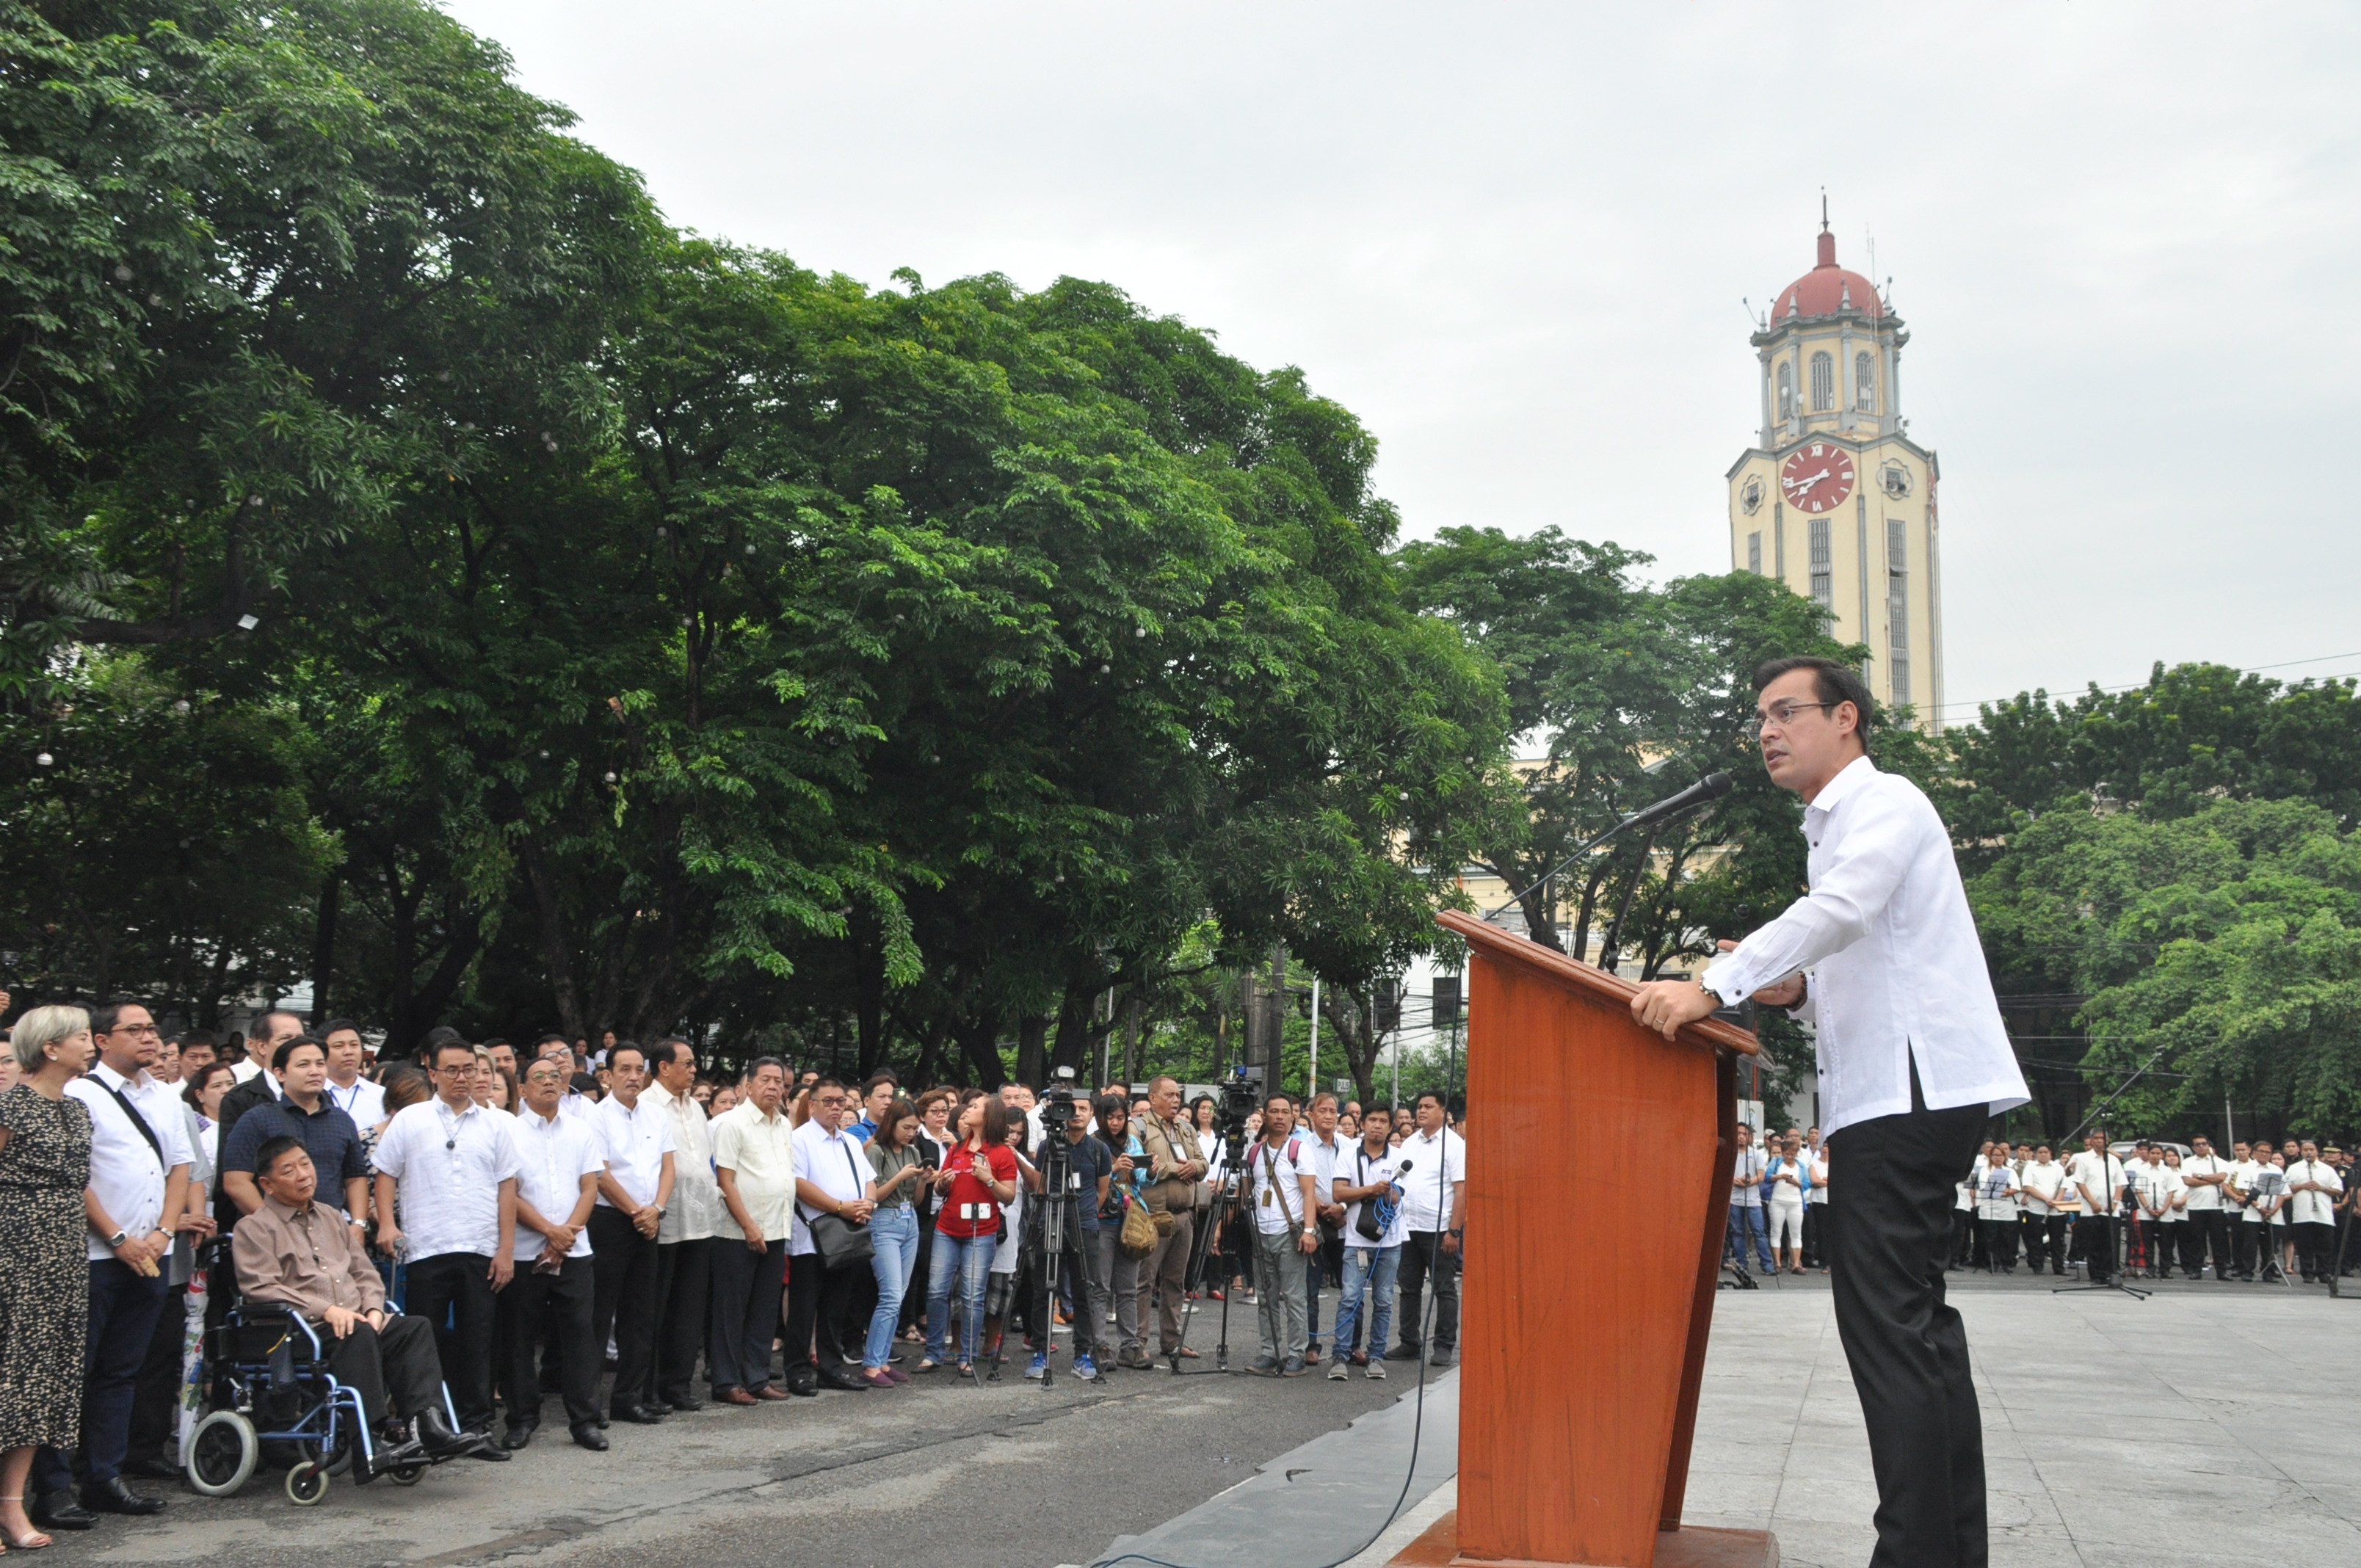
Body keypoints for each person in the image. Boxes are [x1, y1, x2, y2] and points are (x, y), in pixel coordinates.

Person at [1629, 656, 2031, 1568]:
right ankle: (1946, 1551)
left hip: (1906, 1097)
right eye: (1759, 718)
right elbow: (1865, 956)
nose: (1767, 731)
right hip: (1899, 1092)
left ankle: (1918, 1555)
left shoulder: (1883, 803)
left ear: (1845, 717)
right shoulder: (1836, 827)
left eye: (1786, 713)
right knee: (1916, 1332)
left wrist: (1713, 986)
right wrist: (1795, 990)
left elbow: (1844, 909)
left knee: (1890, 1334)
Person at [35, 1000, 204, 1522]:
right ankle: (55, 1485)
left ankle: (105, 1476)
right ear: (102, 1040)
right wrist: (119, 1237)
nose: (149, 1038)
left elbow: (180, 1167)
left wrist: (161, 1233)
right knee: (73, 1370)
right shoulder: (81, 1094)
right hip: (95, 1255)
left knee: (122, 1370)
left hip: (153, 1252)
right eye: (135, 1030)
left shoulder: (165, 1096)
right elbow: (74, 1175)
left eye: (153, 1029)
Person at [233, 1138, 485, 1472]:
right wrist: (325, 1310)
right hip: (301, 1330)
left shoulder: (331, 1217)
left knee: (413, 1328)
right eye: (289, 1170)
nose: (303, 1174)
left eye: (305, 1164)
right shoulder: (253, 1228)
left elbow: (363, 1272)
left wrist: (374, 1309)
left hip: (354, 1320)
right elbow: (260, 1287)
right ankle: (371, 1440)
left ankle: (428, 1424)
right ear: (266, 1184)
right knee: (357, 1333)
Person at [369, 1037, 521, 1458]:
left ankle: (476, 1427)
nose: (462, 1078)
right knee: (425, 1340)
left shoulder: (494, 1123)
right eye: (451, 1070)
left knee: (478, 1339)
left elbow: (507, 1189)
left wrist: (505, 1249)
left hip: (480, 1245)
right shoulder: (411, 1119)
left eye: (469, 1070)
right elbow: (385, 1173)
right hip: (425, 1247)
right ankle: (425, 1423)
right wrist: (386, 1222)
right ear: (432, 1072)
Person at [1, 1007, 98, 1543]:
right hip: (13, 1255)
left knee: (46, 1382)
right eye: (81, 1037)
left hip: (63, 1257)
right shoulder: (9, 1106)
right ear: (50, 1048)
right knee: (9, 1377)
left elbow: (80, 1184)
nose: (90, 1044)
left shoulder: (79, 1111)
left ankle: (13, 1507)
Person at [498, 1056, 605, 1451]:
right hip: (525, 1251)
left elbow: (590, 1187)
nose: (548, 1082)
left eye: (555, 1077)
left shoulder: (580, 1130)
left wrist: (566, 1237)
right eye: (537, 1077)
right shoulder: (507, 1131)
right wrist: (549, 1231)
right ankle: (521, 1418)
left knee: (580, 1335)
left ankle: (585, 1420)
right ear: (523, 1089)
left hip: (574, 1252)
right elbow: (508, 1192)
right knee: (520, 1338)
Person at [588, 1043, 675, 1425]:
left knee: (640, 1314)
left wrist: (654, 1209)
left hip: (649, 1221)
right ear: (607, 1074)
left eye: (638, 1069)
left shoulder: (656, 1115)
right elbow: (600, 1173)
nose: (633, 1076)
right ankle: (588, 1404)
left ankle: (629, 1397)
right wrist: (636, 1212)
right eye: (624, 1069)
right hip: (610, 1222)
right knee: (599, 1313)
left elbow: (669, 1168)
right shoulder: (596, 1117)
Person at [708, 1058, 794, 1404]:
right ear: (748, 1084)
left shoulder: (784, 1124)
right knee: (731, 1309)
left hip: (776, 1227)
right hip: (737, 1231)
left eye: (779, 1081)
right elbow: (724, 1180)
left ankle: (757, 1377)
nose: (773, 1087)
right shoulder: (731, 1123)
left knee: (764, 1308)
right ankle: (727, 1381)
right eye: (766, 1080)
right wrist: (748, 1225)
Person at [218, 1037, 369, 1227]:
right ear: (280, 1074)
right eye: (303, 1065)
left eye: (320, 1064)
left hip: (330, 1232)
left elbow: (355, 1178)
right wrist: (275, 1225)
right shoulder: (256, 1120)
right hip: (273, 1237)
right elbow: (236, 1182)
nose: (314, 1071)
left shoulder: (342, 1121)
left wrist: (358, 1224)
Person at [784, 1078, 873, 1394]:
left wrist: (867, 1203)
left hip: (846, 1236)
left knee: (837, 1306)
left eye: (841, 1101)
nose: (836, 1107)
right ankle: (798, 1370)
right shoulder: (799, 1139)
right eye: (828, 1101)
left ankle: (831, 1367)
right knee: (804, 1308)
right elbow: (799, 1185)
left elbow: (868, 1178)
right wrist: (840, 1207)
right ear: (812, 1105)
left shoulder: (849, 1141)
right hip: (812, 1237)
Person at [645, 1039, 718, 1412]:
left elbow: (703, 1160)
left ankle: (678, 1385)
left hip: (701, 1219)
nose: (693, 1071)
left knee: (689, 1307)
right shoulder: (647, 1105)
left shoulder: (695, 1108)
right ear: (663, 1067)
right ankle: (650, 1388)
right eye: (687, 1064)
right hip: (665, 1218)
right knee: (658, 1307)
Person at [921, 1095, 1016, 1377]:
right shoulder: (957, 1148)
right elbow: (940, 1191)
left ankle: (968, 1356)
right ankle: (934, 1353)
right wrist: (942, 1184)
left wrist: (988, 1179)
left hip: (981, 1231)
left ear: (988, 1117)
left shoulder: (1002, 1153)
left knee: (973, 1296)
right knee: (937, 1291)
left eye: (975, 1107)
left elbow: (1009, 1197)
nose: (968, 1110)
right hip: (947, 1227)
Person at [1022, 1086, 1109, 1382]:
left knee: (1085, 1290)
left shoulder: (1099, 1149)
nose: (1077, 1114)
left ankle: (1082, 1353)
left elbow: (1102, 1190)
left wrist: (1083, 1213)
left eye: (1084, 1108)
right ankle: (1040, 1352)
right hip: (1052, 1222)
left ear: (1092, 1114)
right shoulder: (1048, 1146)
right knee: (1045, 1289)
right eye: (1073, 1108)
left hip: (1085, 1225)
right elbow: (1041, 1184)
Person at [1239, 1093, 1317, 1376]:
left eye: (1286, 1112)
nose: (1281, 1117)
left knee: (1295, 1297)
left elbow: (1309, 1193)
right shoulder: (1254, 1152)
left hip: (1290, 1232)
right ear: (1266, 1115)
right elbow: (1248, 1194)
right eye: (1274, 1111)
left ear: (1293, 1117)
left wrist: (1308, 1231)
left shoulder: (1300, 1149)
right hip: (1261, 1232)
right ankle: (1269, 1351)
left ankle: (1296, 1353)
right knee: (1266, 1297)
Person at [1389, 1091, 1467, 1368]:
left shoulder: (1455, 1145)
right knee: (1409, 1288)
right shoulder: (1409, 1143)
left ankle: (1444, 1345)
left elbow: (1461, 1191)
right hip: (1408, 1227)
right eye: (1419, 1107)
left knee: (1443, 1288)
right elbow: (1398, 1180)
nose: (1421, 1111)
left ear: (1442, 1111)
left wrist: (1454, 1231)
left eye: (1428, 1107)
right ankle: (1409, 1342)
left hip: (1439, 1230)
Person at [1136, 1076, 1208, 1363]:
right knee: (1145, 1280)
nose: (1176, 1100)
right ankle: (1138, 1341)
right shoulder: (1139, 1126)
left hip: (1185, 1215)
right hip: (1155, 1214)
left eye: (1178, 1095)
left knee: (1176, 1282)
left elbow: (1203, 1163)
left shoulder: (1187, 1128)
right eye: (1169, 1095)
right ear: (1153, 1098)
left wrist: (1194, 1167)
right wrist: (1176, 1170)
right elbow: (1141, 1164)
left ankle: (1172, 1340)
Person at [1330, 1104, 1404, 1379]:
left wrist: (1380, 1192)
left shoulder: (1399, 1156)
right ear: (1363, 1124)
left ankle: (1376, 1357)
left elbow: (1398, 1196)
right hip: (1356, 1239)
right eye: (1372, 1120)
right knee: (1350, 1297)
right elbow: (1339, 1191)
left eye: (1383, 1121)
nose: (1377, 1125)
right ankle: (1340, 1354)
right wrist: (1372, 1190)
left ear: (1390, 1125)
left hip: (1390, 1240)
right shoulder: (1348, 1155)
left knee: (1384, 1301)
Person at [859, 1099, 928, 1387]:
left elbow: (916, 1200)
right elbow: (874, 1197)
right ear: (892, 1124)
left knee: (898, 1296)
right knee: (889, 1295)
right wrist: (901, 1175)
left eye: (915, 1128)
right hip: (884, 1222)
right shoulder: (876, 1152)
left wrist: (924, 1180)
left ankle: (883, 1360)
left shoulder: (912, 1150)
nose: (911, 1133)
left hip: (909, 1220)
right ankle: (872, 1364)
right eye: (906, 1127)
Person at [1090, 1095, 1150, 1368]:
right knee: (1100, 1287)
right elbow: (1090, 1180)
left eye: (1120, 1117)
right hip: (1102, 1219)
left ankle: (1130, 1345)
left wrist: (1151, 1171)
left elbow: (1142, 1180)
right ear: (1100, 1117)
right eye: (1110, 1117)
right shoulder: (1092, 1143)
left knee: (1128, 1288)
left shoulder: (1133, 1142)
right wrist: (1113, 1169)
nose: (1115, 1123)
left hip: (1131, 1220)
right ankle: (1098, 1344)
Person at [1298, 1093, 1349, 1362]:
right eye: (1323, 1111)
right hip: (1315, 1223)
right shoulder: (1302, 1146)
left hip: (1344, 1223)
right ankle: (1310, 1345)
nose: (1328, 1116)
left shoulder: (1349, 1146)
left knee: (1351, 1289)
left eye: (1333, 1111)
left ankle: (1350, 1345)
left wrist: (1342, 1208)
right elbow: (1300, 1185)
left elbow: (1356, 1182)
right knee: (1310, 1289)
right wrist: (1321, 1208)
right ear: (1312, 1114)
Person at [2066, 1133, 2125, 1284]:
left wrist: (2115, 1202)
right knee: (2093, 1244)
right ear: (2091, 1140)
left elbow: (2120, 1183)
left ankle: (2109, 1273)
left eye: (2103, 1139)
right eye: (2097, 1138)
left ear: (2108, 1140)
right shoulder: (2084, 1159)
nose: (2100, 1141)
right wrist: (2092, 1202)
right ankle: (2096, 1275)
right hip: (2091, 1209)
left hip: (2111, 1210)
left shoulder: (2113, 1160)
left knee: (2110, 1244)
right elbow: (2080, 1182)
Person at [2285, 1139, 2343, 1282]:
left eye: (2311, 1149)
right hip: (2303, 1213)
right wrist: (2303, 1186)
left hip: (2323, 1214)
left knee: (2325, 1245)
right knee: (2305, 1245)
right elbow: (2286, 1188)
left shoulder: (2327, 1169)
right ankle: (2308, 1272)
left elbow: (2338, 1190)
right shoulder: (2294, 1168)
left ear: (2317, 1152)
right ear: (2301, 1152)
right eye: (2305, 1150)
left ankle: (2323, 1272)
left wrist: (2322, 1188)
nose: (2309, 1152)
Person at [2180, 1134, 2233, 1280]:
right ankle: (2196, 1269)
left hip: (2216, 1206)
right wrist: (2211, 1180)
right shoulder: (2188, 1162)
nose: (2201, 1146)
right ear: (2193, 1147)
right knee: (2196, 1240)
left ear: (2208, 1145)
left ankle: (2221, 1270)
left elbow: (2221, 1178)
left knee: (2219, 1240)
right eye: (2198, 1144)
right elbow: (2188, 1181)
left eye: (2204, 1144)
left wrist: (2201, 1177)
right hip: (2196, 1206)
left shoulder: (2219, 1161)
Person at [319, 1019, 385, 1131]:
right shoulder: (311, 1094)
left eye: (354, 1045)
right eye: (339, 1046)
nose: (348, 1052)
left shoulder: (382, 1095)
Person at [1727, 1123, 1772, 1273]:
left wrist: (1748, 1183)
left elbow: (1761, 1176)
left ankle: (1767, 1264)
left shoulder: (1756, 1154)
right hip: (1734, 1198)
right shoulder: (1730, 1152)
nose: (1741, 1136)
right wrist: (1735, 1181)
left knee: (1759, 1231)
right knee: (1738, 1232)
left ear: (1750, 1137)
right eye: (1738, 1133)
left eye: (1744, 1134)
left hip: (1753, 1199)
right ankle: (1742, 1264)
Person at [2018, 1145, 2067, 1275]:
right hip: (2036, 1209)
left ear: (2051, 1154)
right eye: (2040, 1152)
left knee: (2057, 1239)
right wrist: (2046, 1200)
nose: (2043, 1155)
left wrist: (2056, 1201)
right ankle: (2037, 1265)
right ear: (2036, 1154)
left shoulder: (2058, 1168)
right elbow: (2028, 1187)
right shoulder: (2030, 1167)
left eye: (2046, 1152)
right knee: (2035, 1239)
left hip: (2056, 1210)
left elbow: (2063, 1187)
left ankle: (2059, 1267)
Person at [1766, 1131, 1808, 1274]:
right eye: (1787, 1154)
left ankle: (1796, 1264)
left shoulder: (1801, 1166)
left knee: (1796, 1233)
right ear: (1783, 1153)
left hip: (1795, 1201)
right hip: (1778, 1200)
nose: (1789, 1157)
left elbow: (1807, 1183)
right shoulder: (1776, 1162)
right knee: (1776, 1231)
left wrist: (1797, 1182)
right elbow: (1767, 1177)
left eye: (1792, 1154)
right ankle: (1777, 1263)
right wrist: (1779, 1176)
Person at [1973, 1149, 2021, 1274]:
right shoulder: (1985, 1170)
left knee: (2006, 1237)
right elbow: (1985, 1188)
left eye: (2000, 1155)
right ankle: (1992, 1262)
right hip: (1989, 1208)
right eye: (1995, 1155)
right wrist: (2005, 1191)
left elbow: (2016, 1187)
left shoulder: (2010, 1171)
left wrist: (2003, 1192)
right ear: (1991, 1157)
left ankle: (2006, 1262)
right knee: (1991, 1238)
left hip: (2007, 1209)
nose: (1998, 1158)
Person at [182, 1061, 235, 1173]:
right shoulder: (197, 1128)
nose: (226, 1090)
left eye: (230, 1084)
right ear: (200, 1095)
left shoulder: (244, 1122)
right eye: (217, 1086)